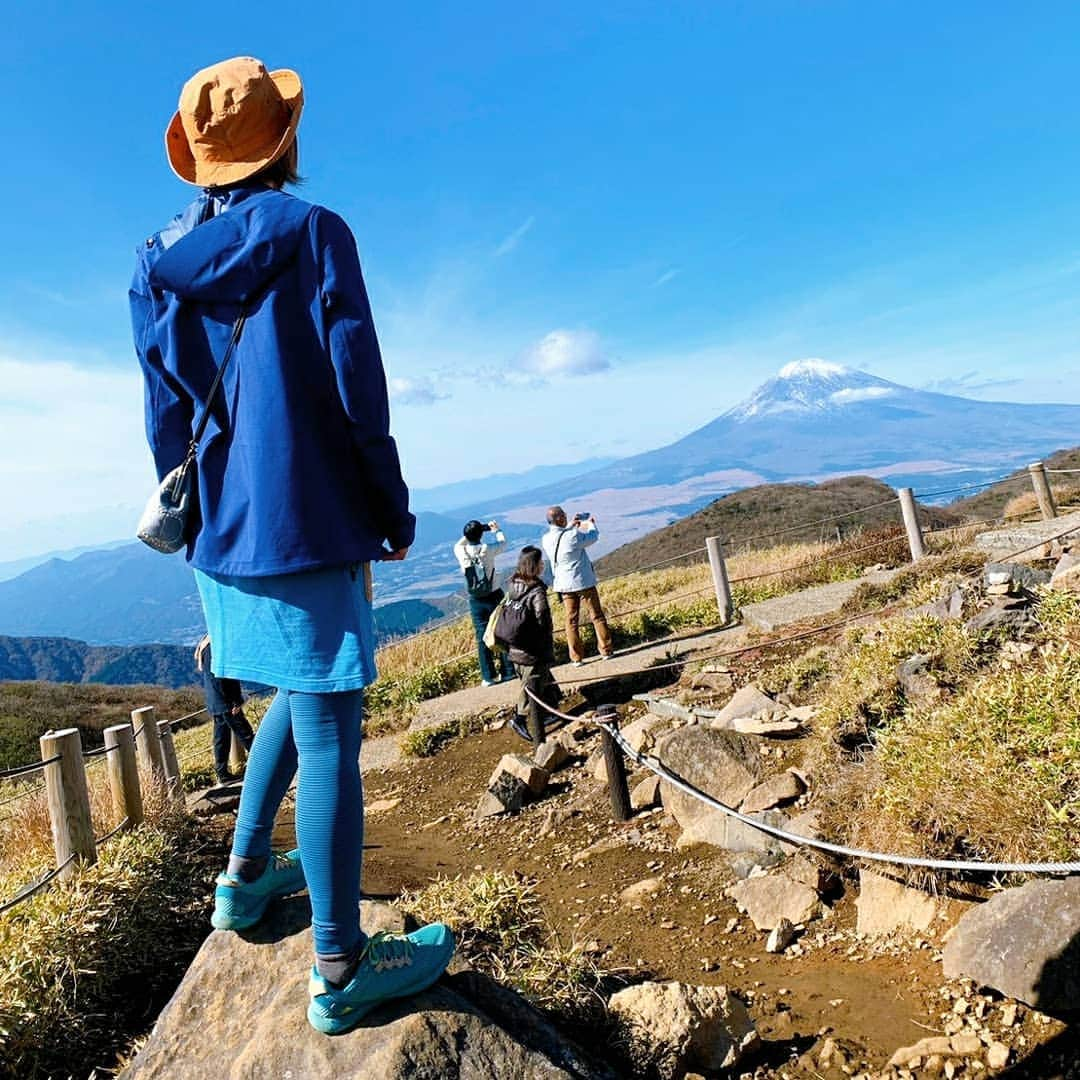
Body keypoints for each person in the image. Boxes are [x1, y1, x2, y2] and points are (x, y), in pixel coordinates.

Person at [131, 56, 453, 1036]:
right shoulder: (316, 234)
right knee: (328, 729)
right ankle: (341, 969)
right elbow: (359, 386)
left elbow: (162, 410)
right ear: (284, 143)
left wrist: (196, 511)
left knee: (293, 690)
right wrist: (389, 505)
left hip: (222, 526)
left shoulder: (153, 261)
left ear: (199, 161)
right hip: (308, 513)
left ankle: (242, 880)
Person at [497, 546, 560, 747]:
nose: (543, 565)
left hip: (515, 645)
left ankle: (551, 709)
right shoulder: (537, 590)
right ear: (536, 565)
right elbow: (543, 619)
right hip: (531, 649)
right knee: (531, 684)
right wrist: (546, 639)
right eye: (541, 562)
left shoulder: (513, 583)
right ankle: (520, 718)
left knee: (542, 677)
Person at [540, 506, 614, 665]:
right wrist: (591, 524)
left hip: (564, 585)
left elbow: (560, 535)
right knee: (596, 615)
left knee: (571, 621)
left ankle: (576, 657)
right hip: (583, 582)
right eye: (564, 515)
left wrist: (572, 525)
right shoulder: (573, 535)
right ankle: (606, 650)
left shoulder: (546, 539)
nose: (566, 517)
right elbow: (593, 537)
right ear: (559, 518)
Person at [454, 519, 515, 687]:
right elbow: (504, 543)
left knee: (481, 636)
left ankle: (488, 676)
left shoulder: (460, 551)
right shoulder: (487, 550)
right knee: (501, 631)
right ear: (481, 535)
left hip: (475, 599)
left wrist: (473, 531)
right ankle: (508, 671)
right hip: (494, 595)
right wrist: (496, 530)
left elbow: (461, 541)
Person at [194, 635, 254, 785]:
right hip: (226, 701)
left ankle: (223, 775)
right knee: (246, 735)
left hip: (216, 700)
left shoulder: (205, 644)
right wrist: (235, 701)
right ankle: (265, 769)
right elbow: (221, 677)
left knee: (221, 739)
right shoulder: (215, 646)